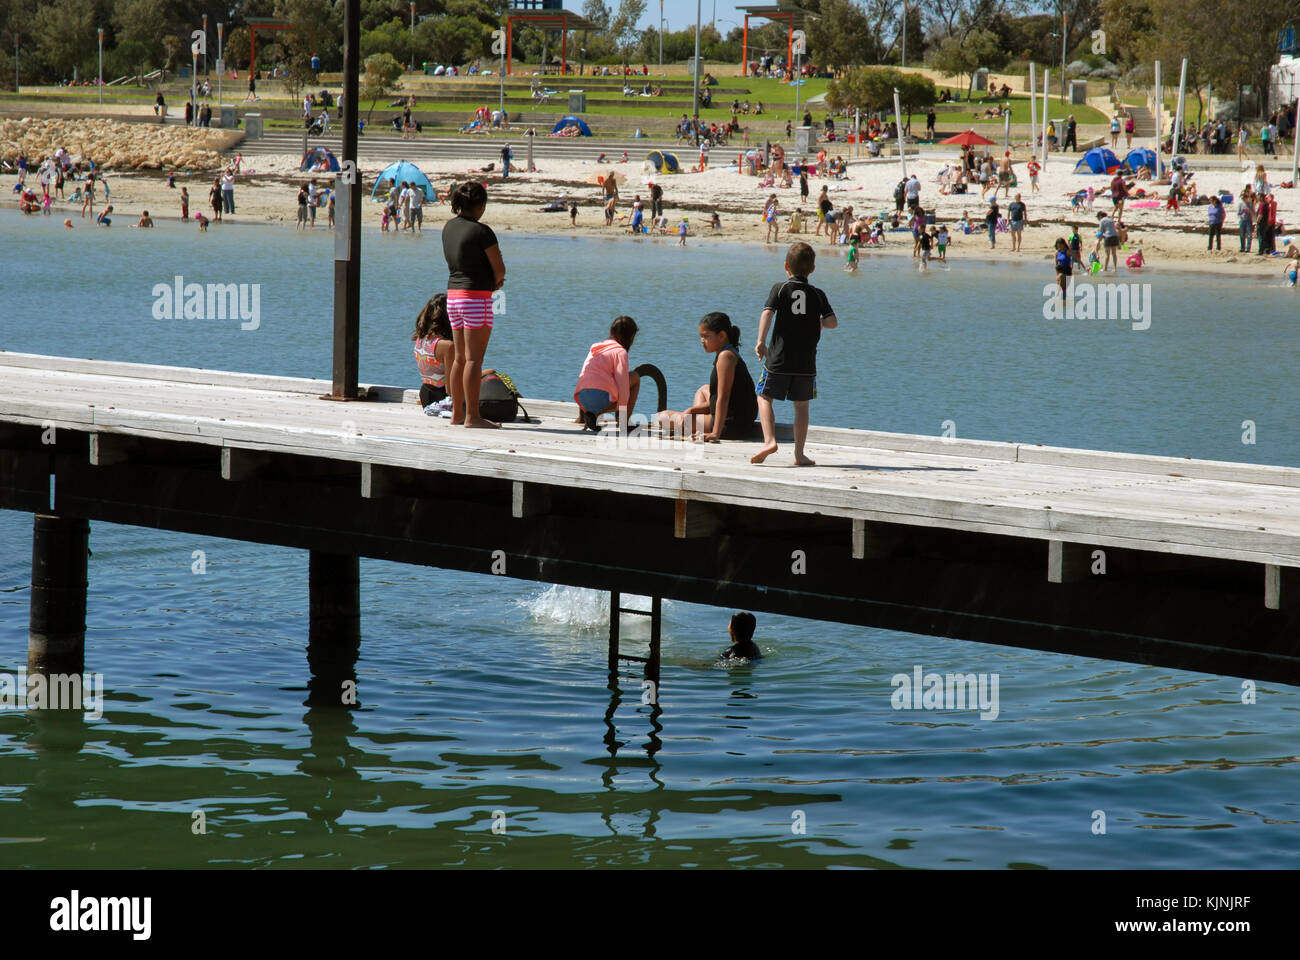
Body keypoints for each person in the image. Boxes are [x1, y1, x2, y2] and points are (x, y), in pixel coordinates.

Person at [751, 242, 838, 466]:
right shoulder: (818, 294)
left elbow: (767, 314)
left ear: (786, 266)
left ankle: (769, 440)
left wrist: (761, 341)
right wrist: (818, 322)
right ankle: (799, 455)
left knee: (763, 396)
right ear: (813, 269)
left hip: (779, 358)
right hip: (806, 362)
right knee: (801, 407)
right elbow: (832, 322)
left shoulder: (780, 288)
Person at [442, 182, 505, 429]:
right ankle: (473, 417)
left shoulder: (448, 227)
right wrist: (497, 282)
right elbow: (499, 269)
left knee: (459, 359)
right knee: (474, 360)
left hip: (453, 295)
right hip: (476, 297)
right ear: (479, 205)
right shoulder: (482, 232)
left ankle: (457, 414)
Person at [659, 312, 758, 442]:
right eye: (701, 336)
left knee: (663, 417)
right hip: (738, 420)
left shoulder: (725, 357)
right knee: (704, 389)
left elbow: (724, 397)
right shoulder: (729, 352)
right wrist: (693, 410)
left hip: (731, 426)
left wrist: (715, 433)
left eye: (706, 336)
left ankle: (701, 426)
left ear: (722, 335)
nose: (702, 341)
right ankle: (695, 423)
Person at [573, 316, 641, 433]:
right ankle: (624, 423)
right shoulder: (620, 352)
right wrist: (622, 412)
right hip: (600, 398)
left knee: (593, 380)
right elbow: (623, 386)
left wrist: (581, 417)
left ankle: (589, 415)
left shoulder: (596, 348)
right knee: (635, 377)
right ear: (631, 337)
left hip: (581, 397)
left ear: (611, 332)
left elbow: (584, 375)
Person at [413, 294, 456, 410]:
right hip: (442, 398)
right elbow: (451, 389)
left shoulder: (420, 339)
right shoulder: (447, 346)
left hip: (425, 394)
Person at [1053, 237, 1072, 303]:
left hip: (1067, 271)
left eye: (1060, 244)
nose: (1059, 246)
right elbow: (1056, 265)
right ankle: (1063, 302)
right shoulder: (1057, 253)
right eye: (1058, 245)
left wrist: (1084, 267)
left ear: (1063, 244)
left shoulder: (1068, 251)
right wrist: (1057, 274)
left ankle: (1061, 299)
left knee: (1063, 287)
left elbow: (1076, 259)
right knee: (1061, 288)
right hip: (1060, 270)